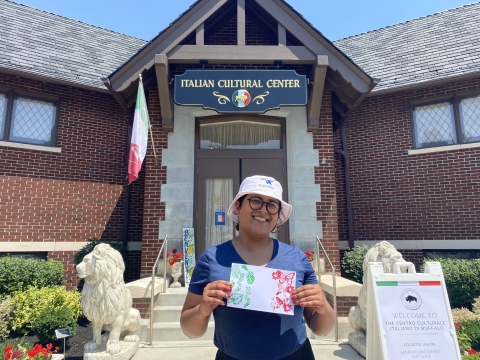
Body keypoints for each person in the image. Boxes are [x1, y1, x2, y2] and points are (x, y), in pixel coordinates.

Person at [180, 175, 336, 360]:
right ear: (238, 206)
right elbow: (190, 331)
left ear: (277, 214)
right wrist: (202, 310)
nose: (263, 210)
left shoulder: (296, 258)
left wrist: (323, 307)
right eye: (255, 201)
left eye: (272, 204)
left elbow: (321, 328)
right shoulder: (212, 259)